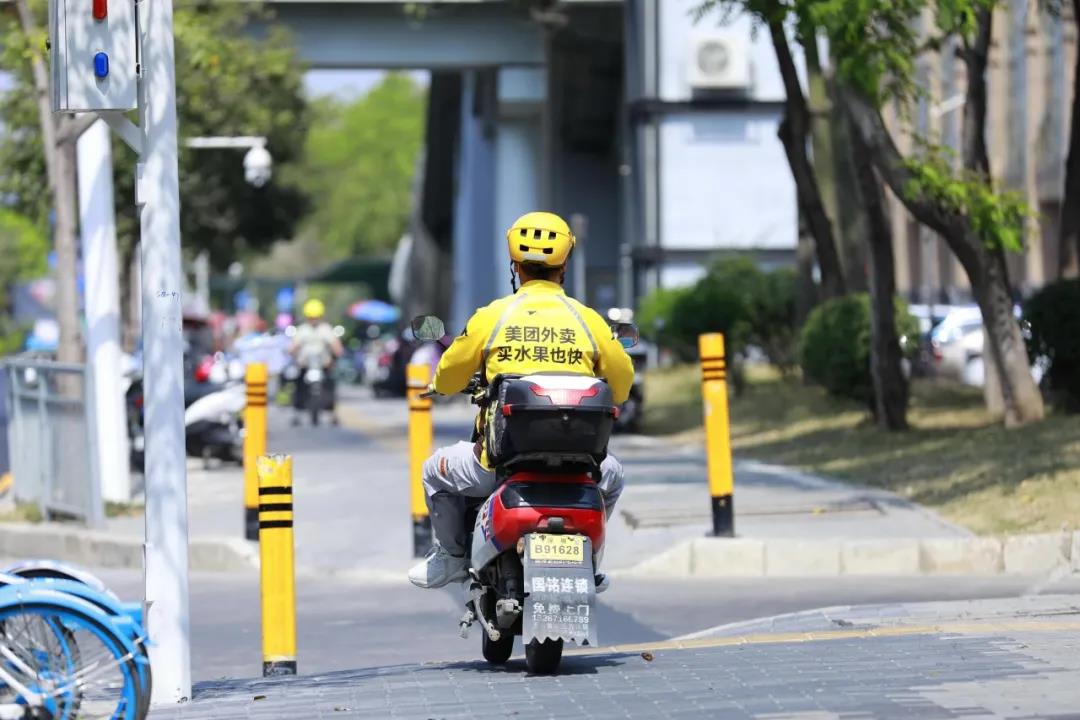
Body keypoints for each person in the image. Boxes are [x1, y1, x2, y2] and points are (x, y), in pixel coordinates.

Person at [408, 211, 634, 589]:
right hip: (583, 468)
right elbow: (622, 383)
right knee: (613, 475)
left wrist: (442, 386)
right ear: (565, 264)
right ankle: (589, 559)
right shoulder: (589, 321)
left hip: (497, 465)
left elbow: (449, 376)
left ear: (514, 264)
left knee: (434, 470)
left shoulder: (493, 316)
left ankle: (450, 556)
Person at [289, 298, 344, 425]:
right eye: (311, 317)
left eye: (315, 317)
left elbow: (336, 346)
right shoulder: (302, 330)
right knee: (298, 386)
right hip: (305, 365)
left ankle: (332, 413)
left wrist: (337, 352)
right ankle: (297, 412)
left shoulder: (326, 329)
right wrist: (293, 353)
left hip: (323, 364)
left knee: (330, 385)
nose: (313, 320)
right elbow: (293, 347)